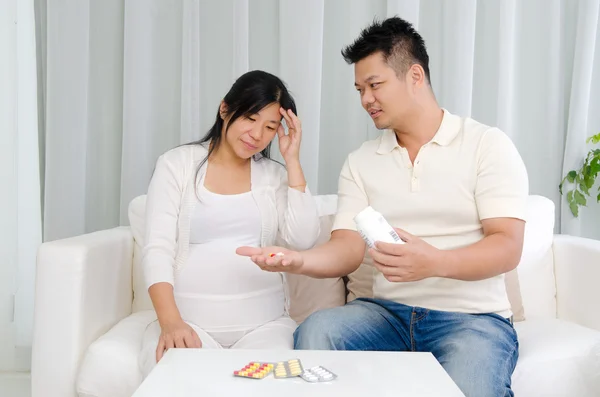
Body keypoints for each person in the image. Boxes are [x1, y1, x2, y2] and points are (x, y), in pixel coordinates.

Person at [236, 17, 528, 397]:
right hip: (384, 315)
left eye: (375, 85)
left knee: (473, 386)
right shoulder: (361, 161)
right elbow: (347, 248)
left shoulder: (487, 145)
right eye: (360, 89)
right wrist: (297, 260)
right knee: (318, 330)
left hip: (472, 319)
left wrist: (435, 262)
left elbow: (508, 245)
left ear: (415, 76)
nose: (365, 100)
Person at [139, 70, 320, 377]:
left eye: (269, 127)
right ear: (225, 109)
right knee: (173, 381)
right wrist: (171, 323)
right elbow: (157, 248)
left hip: (264, 326)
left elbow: (302, 240)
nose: (257, 135)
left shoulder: (274, 175)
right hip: (190, 323)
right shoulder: (176, 164)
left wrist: (292, 161)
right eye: (250, 118)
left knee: (278, 384)